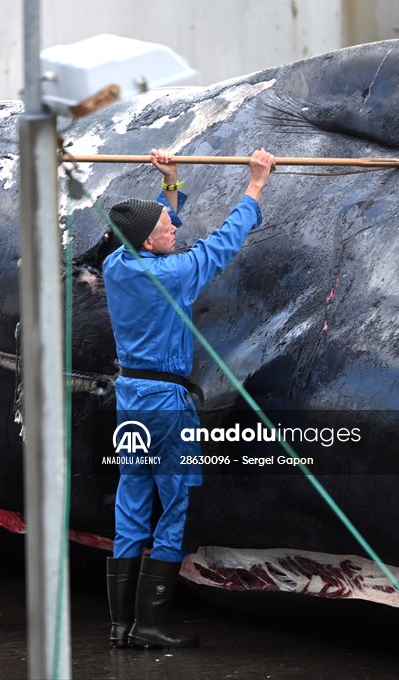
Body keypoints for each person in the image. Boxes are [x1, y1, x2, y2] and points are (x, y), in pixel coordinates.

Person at [103, 148, 275, 649]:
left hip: (130, 398)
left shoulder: (118, 263)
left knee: (132, 503)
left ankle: (120, 628)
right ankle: (151, 627)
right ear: (148, 243)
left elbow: (155, 224)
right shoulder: (171, 274)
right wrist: (256, 185)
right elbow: (222, 245)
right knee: (173, 505)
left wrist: (170, 185)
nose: (175, 229)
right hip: (164, 404)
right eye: (166, 227)